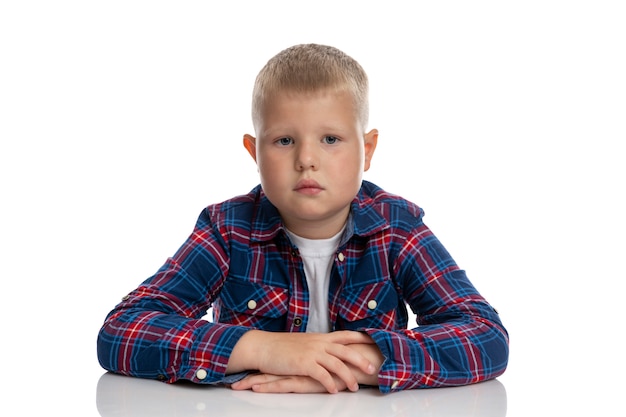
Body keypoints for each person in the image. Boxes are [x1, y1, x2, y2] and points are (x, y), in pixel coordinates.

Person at [97, 43, 509, 394]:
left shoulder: (395, 227)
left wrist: (357, 364)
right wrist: (265, 349)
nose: (306, 160)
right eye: (284, 140)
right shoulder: (227, 229)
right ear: (254, 152)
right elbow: (121, 332)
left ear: (367, 149)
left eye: (330, 139)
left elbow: (486, 338)